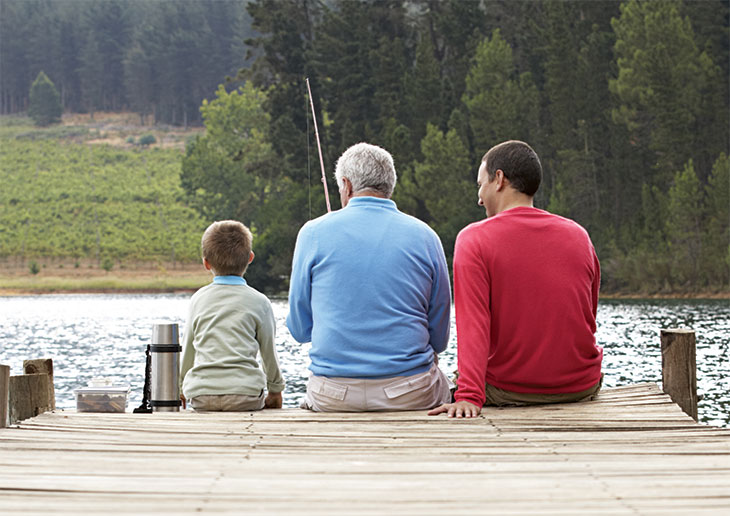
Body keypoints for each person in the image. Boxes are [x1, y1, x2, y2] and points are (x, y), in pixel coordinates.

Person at [429, 140, 602, 418]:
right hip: (580, 386)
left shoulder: (474, 239)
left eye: (480, 184)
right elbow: (587, 316)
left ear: (499, 179)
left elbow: (474, 324)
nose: (479, 198)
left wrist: (470, 395)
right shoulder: (578, 235)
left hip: (510, 389)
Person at [287, 142, 452, 412]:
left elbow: (299, 330)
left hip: (334, 395)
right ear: (389, 186)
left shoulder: (312, 233)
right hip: (410, 393)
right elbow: (440, 337)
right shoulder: (425, 236)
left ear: (346, 185)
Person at [179, 220, 285, 411]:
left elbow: (188, 350)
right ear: (250, 257)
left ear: (206, 263)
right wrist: (275, 390)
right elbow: (268, 352)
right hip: (246, 396)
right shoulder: (260, 302)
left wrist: (179, 387)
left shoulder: (197, 300)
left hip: (201, 395)